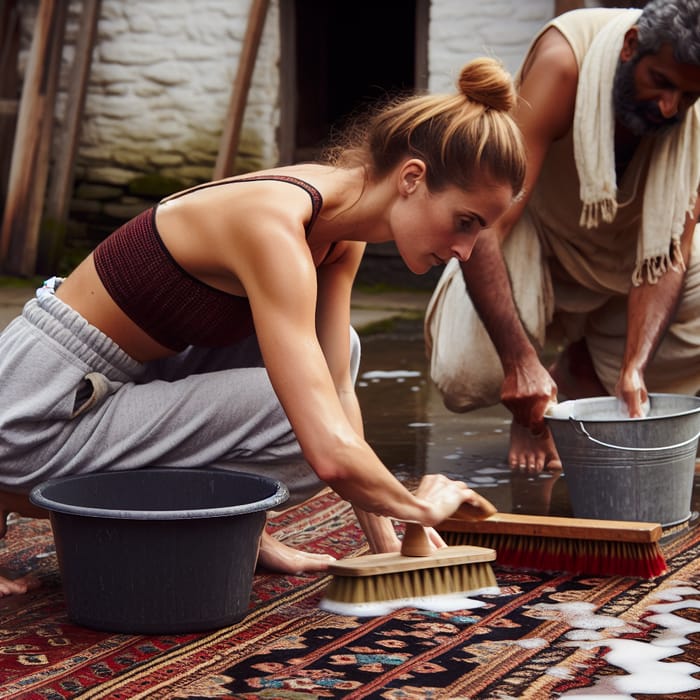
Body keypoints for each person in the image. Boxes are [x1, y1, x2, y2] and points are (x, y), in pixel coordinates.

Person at [0, 57, 527, 596]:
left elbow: (338, 389)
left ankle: (233, 528)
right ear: (412, 178)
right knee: (295, 417)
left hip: (107, 386)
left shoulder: (340, 233)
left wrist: (388, 539)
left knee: (334, 356)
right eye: (465, 223)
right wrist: (419, 505)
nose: (465, 251)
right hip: (34, 415)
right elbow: (325, 447)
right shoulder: (274, 226)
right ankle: (20, 495)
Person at [426, 0, 700, 474]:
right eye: (661, 82)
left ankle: (582, 373)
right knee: (467, 372)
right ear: (630, 47)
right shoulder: (565, 60)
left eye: (688, 96)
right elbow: (492, 218)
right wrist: (518, 361)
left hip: (628, 255)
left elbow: (671, 251)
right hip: (536, 234)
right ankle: (531, 405)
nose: (669, 106)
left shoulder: (690, 112)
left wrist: (634, 368)